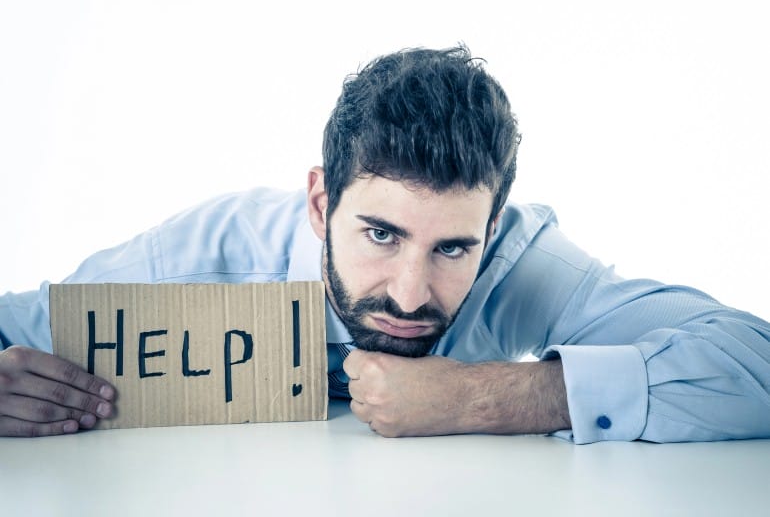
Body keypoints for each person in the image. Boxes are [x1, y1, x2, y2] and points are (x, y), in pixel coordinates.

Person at [1, 46, 769, 442]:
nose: (408, 295)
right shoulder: (205, 256)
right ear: (318, 203)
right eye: (379, 233)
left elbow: (754, 361)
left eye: (452, 250)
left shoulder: (523, 267)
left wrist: (487, 399)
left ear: (492, 230)